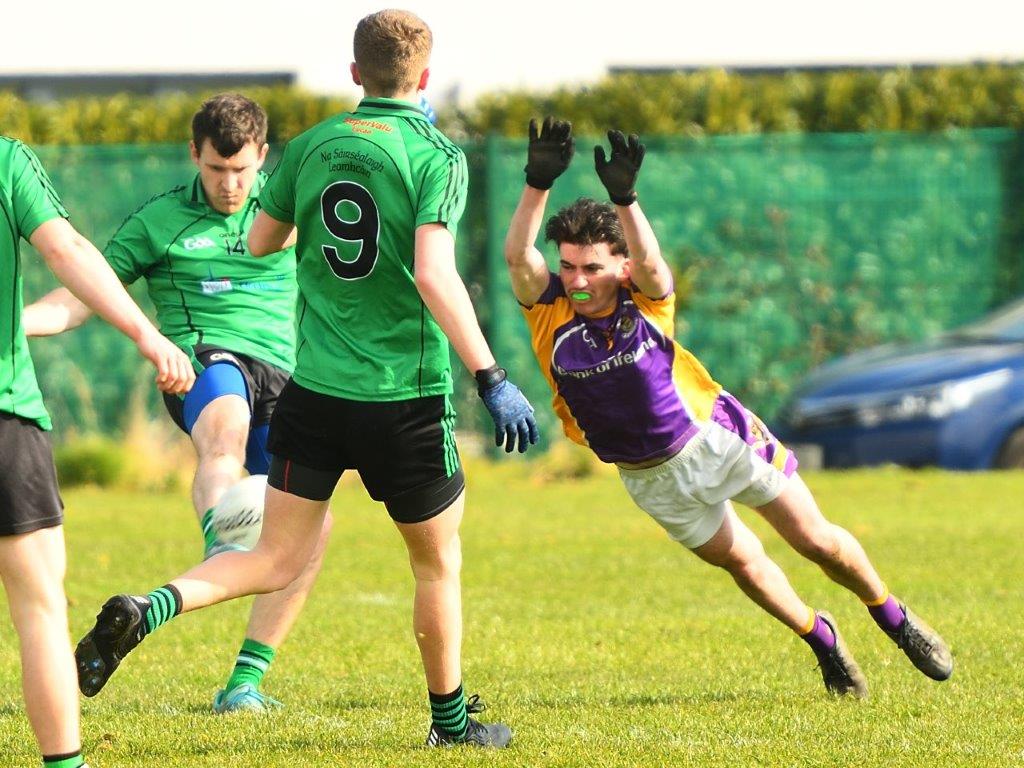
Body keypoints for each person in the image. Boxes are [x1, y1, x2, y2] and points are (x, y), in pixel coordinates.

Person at [73, 9, 537, 748]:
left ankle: (149, 605)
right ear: (424, 77)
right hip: (402, 396)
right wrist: (491, 373)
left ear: (354, 73)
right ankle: (450, 728)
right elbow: (432, 271)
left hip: (312, 394)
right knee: (435, 563)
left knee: (271, 557)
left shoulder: (313, 145)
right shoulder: (438, 154)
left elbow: (263, 239)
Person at [502, 118, 953, 698]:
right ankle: (822, 639)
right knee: (744, 564)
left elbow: (652, 261)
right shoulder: (550, 311)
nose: (579, 280)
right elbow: (517, 255)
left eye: (592, 267)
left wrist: (626, 198)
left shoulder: (646, 300)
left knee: (815, 542)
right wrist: (536, 184)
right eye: (568, 266)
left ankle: (892, 615)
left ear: (618, 267)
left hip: (717, 437)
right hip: (646, 477)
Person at [24, 93, 333, 713]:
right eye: (216, 169)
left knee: (314, 529)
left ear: (262, 157)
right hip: (209, 362)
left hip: (295, 378)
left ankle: (244, 682)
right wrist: (14, 323)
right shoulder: (159, 221)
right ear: (195, 154)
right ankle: (224, 541)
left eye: (242, 170)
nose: (229, 184)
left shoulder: (292, 210)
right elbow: (81, 296)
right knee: (226, 434)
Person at [0, 136, 193, 768]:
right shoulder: (6, 159)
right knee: (39, 606)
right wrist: (144, 331)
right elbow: (65, 248)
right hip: (4, 409)